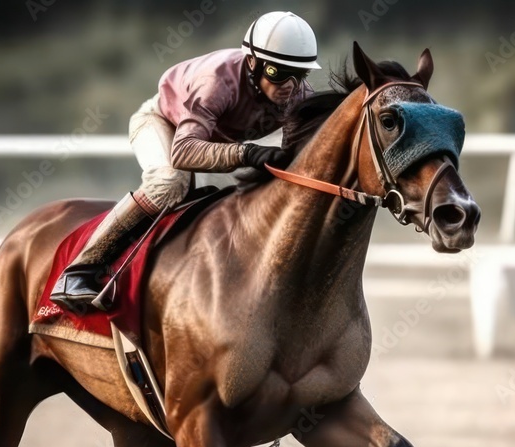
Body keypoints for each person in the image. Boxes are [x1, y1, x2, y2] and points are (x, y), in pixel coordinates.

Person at [50, 10, 320, 312]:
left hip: (213, 140)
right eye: (277, 72)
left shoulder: (297, 96)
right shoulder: (216, 82)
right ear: (253, 63)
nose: (289, 86)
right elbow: (183, 152)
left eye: (300, 75)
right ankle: (79, 271)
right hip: (164, 123)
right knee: (169, 182)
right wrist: (246, 153)